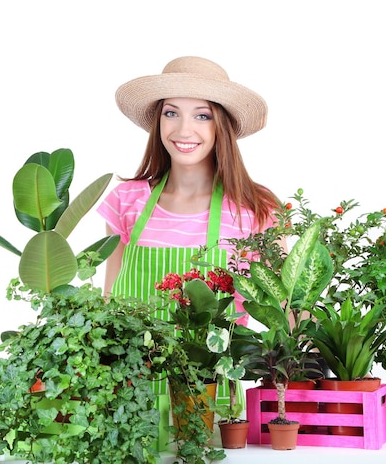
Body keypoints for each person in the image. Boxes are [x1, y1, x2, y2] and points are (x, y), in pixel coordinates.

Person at [97, 56, 283, 402]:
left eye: (202, 115)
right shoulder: (127, 201)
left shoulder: (254, 209)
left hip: (208, 402)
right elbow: (108, 303)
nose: (184, 130)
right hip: (129, 398)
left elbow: (287, 308)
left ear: (221, 126)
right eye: (171, 113)